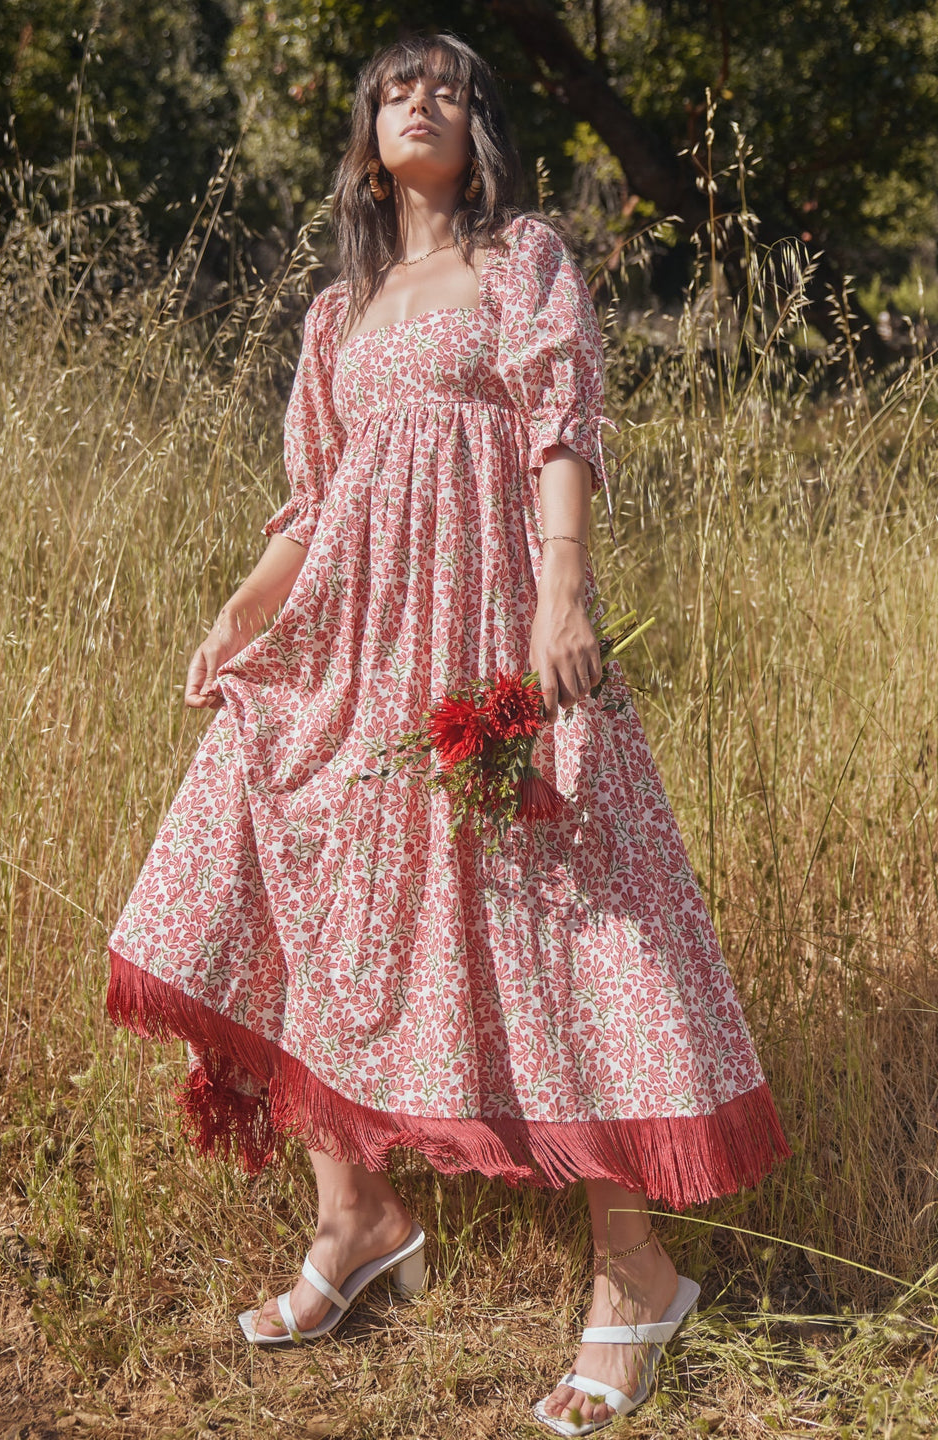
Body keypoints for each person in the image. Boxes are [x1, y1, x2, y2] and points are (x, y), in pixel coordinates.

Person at [105, 31, 790, 1436]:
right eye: (400, 88)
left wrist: (561, 591)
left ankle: (636, 1281)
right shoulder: (332, 316)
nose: (427, 102)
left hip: (485, 631)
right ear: (366, 140)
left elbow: (562, 422)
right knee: (281, 866)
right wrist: (241, 613)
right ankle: (355, 1219)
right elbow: (313, 509)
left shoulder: (519, 259)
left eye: (455, 89)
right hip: (357, 654)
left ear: (482, 135)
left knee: (557, 931)